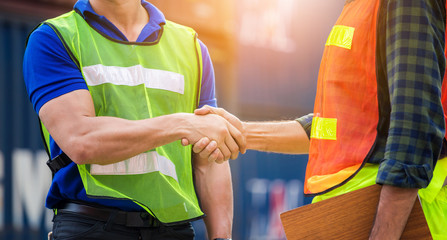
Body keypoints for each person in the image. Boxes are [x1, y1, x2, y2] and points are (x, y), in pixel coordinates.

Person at [188, 0, 447, 239]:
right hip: (354, 211)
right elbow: (336, 127)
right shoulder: (361, 6)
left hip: (400, 216)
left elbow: (414, 126)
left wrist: (383, 233)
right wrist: (238, 131)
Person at [23, 0, 245, 239]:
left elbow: (210, 158)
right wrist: (182, 124)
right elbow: (82, 140)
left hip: (173, 230)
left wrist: (221, 237)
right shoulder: (55, 38)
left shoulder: (192, 48)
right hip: (91, 226)